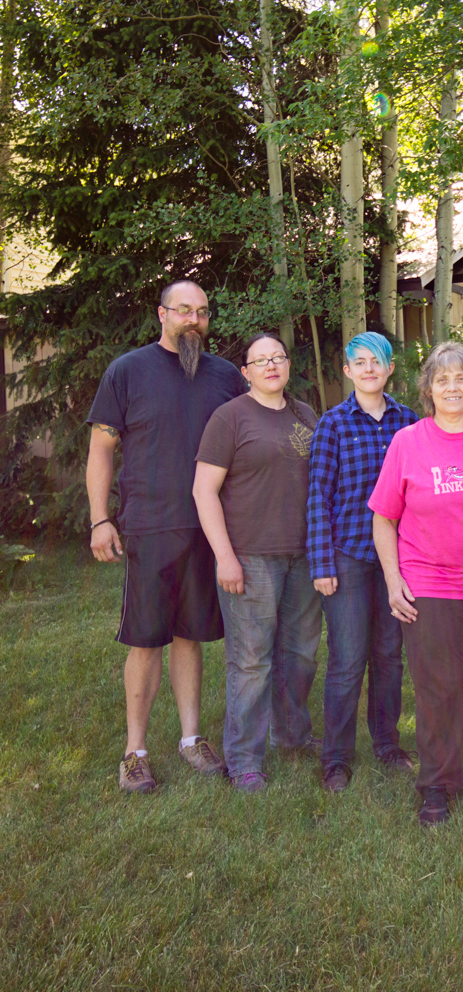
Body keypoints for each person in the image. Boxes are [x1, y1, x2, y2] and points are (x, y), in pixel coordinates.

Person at [87, 279, 246, 793]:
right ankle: (134, 751)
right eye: (184, 311)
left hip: (209, 526)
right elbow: (101, 451)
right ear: (162, 314)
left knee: (191, 634)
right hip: (150, 524)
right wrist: (99, 518)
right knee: (145, 638)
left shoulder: (225, 377)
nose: (194, 320)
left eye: (202, 311)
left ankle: (190, 738)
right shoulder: (127, 371)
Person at [370, 342, 463, 827]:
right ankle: (436, 784)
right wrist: (393, 582)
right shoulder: (408, 442)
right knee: (440, 686)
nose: (452, 387)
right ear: (428, 389)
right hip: (429, 583)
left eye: (461, 379)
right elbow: (384, 519)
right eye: (441, 379)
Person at [193, 334, 321, 792]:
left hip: (305, 556)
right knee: (251, 661)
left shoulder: (306, 414)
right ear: (245, 371)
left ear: (288, 365)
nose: (271, 366)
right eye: (260, 360)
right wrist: (224, 556)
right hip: (250, 557)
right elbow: (203, 490)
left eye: (278, 358)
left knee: (302, 653)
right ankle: (245, 758)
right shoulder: (229, 418)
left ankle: (291, 735)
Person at [307, 332, 418, 792]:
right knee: (348, 660)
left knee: (389, 657)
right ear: (348, 371)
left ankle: (387, 745)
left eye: (378, 361)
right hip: (348, 555)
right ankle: (336, 758)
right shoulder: (333, 424)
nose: (369, 368)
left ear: (391, 369)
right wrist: (321, 563)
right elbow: (317, 495)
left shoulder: (408, 423)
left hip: (397, 560)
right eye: (360, 362)